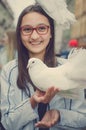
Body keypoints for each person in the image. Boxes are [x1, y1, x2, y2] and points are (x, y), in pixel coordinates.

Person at [1, 1, 86, 130]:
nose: (34, 36)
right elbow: (6, 124)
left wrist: (59, 115)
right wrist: (32, 102)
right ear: (20, 34)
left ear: (51, 32)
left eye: (41, 28)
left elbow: (83, 119)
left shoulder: (70, 68)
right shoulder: (9, 72)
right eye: (27, 29)